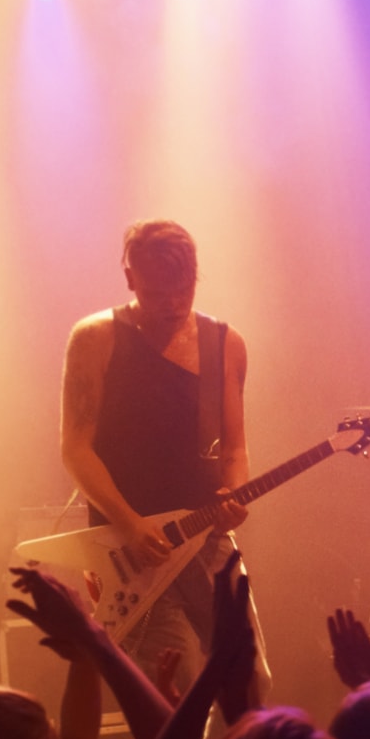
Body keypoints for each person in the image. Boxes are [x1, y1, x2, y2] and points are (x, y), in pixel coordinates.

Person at [59, 219, 267, 696]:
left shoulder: (224, 344)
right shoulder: (96, 339)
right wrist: (130, 524)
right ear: (129, 278)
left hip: (207, 541)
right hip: (130, 550)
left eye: (184, 289)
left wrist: (234, 494)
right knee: (173, 694)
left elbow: (234, 448)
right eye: (157, 293)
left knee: (249, 681)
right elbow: (75, 449)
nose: (173, 304)